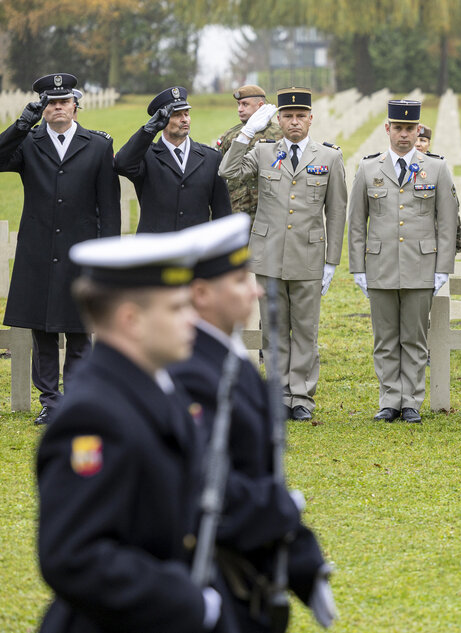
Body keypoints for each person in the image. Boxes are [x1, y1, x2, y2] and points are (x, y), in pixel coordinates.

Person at [36, 230, 227, 632]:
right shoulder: (92, 415)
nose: (192, 319)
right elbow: (74, 556)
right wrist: (185, 601)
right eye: (176, 308)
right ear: (131, 320)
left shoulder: (158, 387)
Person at [169, 215, 336, 631]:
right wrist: (283, 510)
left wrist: (302, 563)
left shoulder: (227, 362)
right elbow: (209, 483)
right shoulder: (192, 371)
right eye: (240, 281)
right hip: (209, 577)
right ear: (202, 293)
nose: (256, 289)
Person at [219, 87, 347, 422]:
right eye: (288, 116)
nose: (294, 122)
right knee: (273, 331)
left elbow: (336, 212)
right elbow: (227, 171)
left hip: (308, 254)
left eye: (300, 116)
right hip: (269, 254)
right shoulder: (263, 152)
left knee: (305, 330)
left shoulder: (329, 157)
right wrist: (247, 133)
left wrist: (332, 260)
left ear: (310, 119)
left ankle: (301, 396)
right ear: (279, 119)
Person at [0, 72, 121, 426]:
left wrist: (108, 258)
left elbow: (109, 207)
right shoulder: (29, 141)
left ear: (75, 105)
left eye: (64, 101)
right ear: (43, 108)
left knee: (80, 329)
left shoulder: (97, 145)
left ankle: (79, 397)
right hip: (38, 249)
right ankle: (51, 400)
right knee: (44, 330)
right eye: (50, 103)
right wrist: (21, 124)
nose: (57, 108)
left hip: (82, 251)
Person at [348, 100, 458, 423]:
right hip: (380, 265)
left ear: (418, 129)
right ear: (388, 129)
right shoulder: (369, 168)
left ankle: (411, 400)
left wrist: (443, 267)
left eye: (410, 129)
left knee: (414, 337)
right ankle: (389, 399)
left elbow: (447, 221)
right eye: (398, 128)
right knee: (384, 339)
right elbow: (357, 222)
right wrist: (357, 267)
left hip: (420, 265)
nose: (404, 135)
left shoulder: (435, 168)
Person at [115, 86, 231, 233]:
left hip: (196, 244)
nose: (185, 119)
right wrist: (148, 131)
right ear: (161, 120)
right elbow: (122, 164)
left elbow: (222, 214)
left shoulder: (211, 158)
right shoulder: (145, 156)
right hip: (156, 245)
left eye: (186, 114)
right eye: (176, 115)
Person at [216, 85, 283, 222]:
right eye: (238, 104)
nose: (240, 109)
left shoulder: (281, 135)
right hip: (238, 214)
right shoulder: (231, 136)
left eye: (245, 104)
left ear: (260, 105)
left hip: (271, 215)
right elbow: (219, 174)